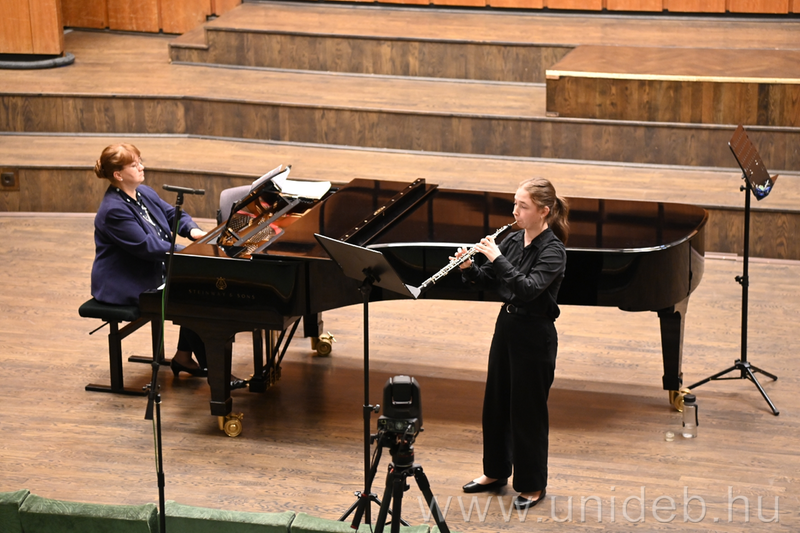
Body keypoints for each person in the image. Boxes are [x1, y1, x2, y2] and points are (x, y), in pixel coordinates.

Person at [456, 177, 569, 510]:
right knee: (496, 404)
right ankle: (494, 472)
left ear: (543, 211)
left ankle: (532, 486)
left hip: (534, 334)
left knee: (527, 412)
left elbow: (528, 288)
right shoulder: (514, 240)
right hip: (507, 327)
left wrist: (496, 257)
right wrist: (469, 268)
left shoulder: (553, 250)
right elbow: (492, 281)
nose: (515, 212)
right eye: (515, 204)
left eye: (523, 206)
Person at [91, 143, 209, 378]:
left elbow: (172, 214)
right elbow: (147, 246)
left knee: (199, 289)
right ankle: (217, 374)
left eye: (140, 162)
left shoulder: (143, 192)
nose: (142, 167)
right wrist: (188, 252)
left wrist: (192, 230)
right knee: (197, 297)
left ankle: (183, 357)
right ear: (118, 175)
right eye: (134, 165)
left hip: (153, 271)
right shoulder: (113, 211)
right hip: (128, 282)